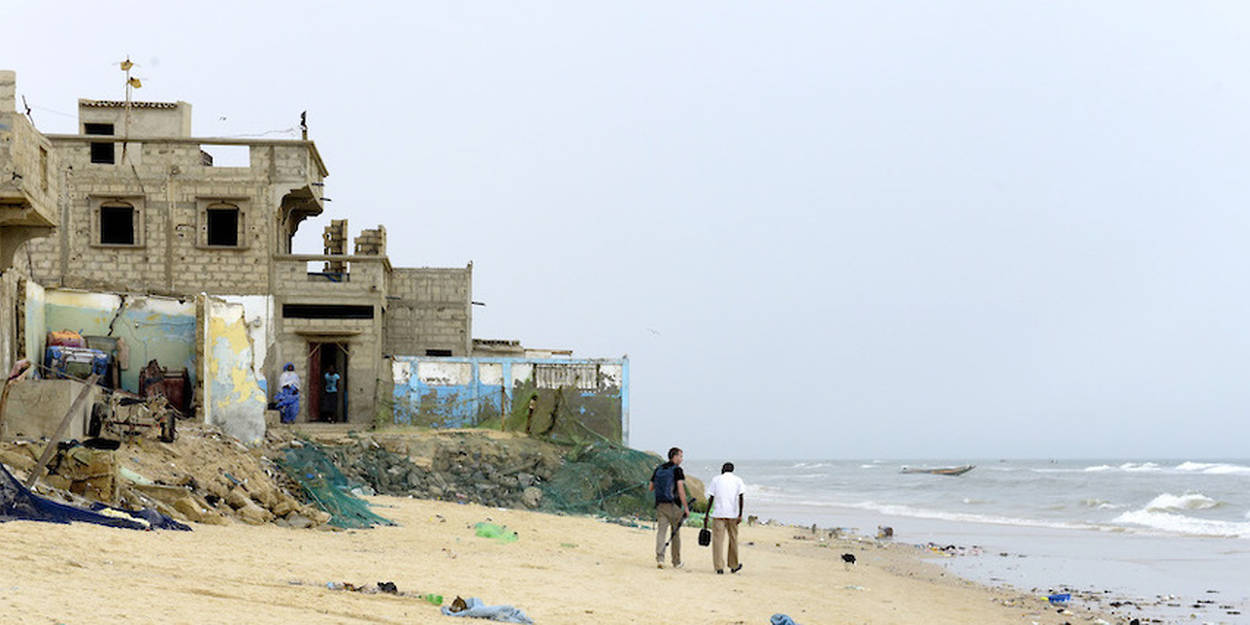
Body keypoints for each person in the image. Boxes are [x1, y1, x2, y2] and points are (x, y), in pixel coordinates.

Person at [649, 447, 688, 569]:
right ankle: (676, 561)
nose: (681, 459)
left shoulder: (659, 469)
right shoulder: (677, 470)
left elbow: (651, 487)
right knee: (675, 533)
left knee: (661, 532)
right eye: (680, 456)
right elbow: (680, 490)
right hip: (674, 505)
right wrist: (685, 507)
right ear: (675, 457)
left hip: (660, 504)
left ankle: (660, 558)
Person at [704, 462, 746, 574]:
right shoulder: (738, 480)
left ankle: (719, 567)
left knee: (718, 541)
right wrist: (740, 514)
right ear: (732, 470)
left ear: (722, 469)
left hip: (718, 514)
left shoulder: (716, 479)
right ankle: (733, 565)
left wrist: (707, 514)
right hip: (732, 514)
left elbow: (711, 498)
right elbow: (741, 498)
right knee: (733, 540)